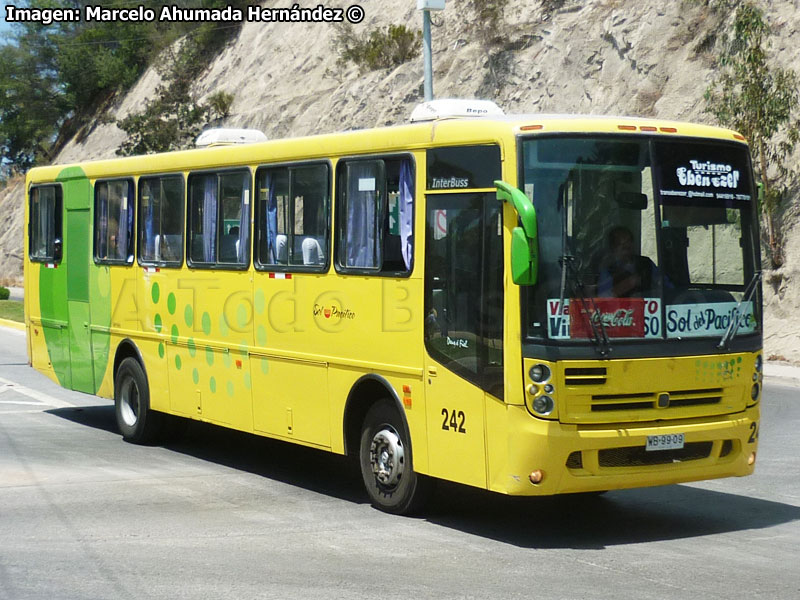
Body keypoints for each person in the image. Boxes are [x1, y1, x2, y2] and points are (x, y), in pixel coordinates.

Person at [597, 226, 664, 297]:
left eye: (628, 242)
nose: (626, 247)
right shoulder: (608, 270)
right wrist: (626, 285)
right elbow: (603, 298)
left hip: (650, 306)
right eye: (620, 243)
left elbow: (665, 286)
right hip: (620, 307)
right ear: (613, 248)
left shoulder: (646, 263)